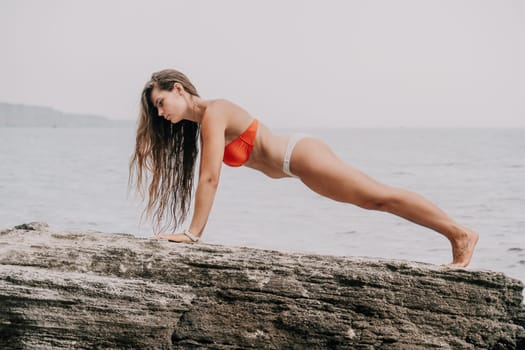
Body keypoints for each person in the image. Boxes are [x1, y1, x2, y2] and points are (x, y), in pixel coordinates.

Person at [129, 69, 479, 267]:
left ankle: (460, 235)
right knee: (375, 199)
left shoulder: (214, 112)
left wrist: (192, 234)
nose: (162, 113)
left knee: (379, 198)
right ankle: (457, 235)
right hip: (298, 163)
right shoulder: (203, 123)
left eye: (161, 103)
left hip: (299, 155)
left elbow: (209, 178)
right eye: (156, 110)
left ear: (178, 89)